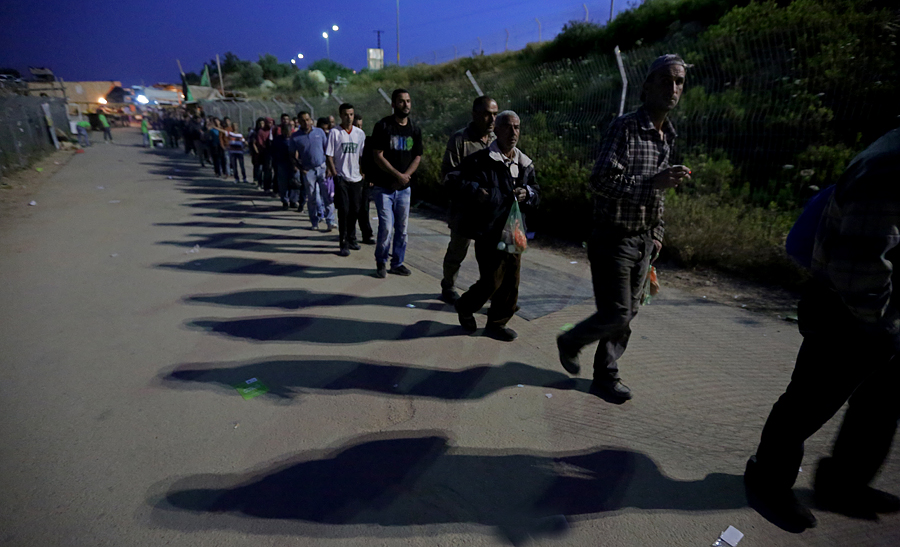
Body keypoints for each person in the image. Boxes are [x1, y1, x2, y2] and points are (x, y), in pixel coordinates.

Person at [743, 128, 900, 531]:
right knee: (808, 402)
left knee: (879, 406)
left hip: (882, 313)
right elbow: (858, 267)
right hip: (855, 313)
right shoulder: (889, 164)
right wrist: (884, 326)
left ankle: (843, 484)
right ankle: (767, 479)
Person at [556, 54, 692, 402]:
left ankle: (606, 376)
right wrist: (652, 182)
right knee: (616, 311)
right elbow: (600, 180)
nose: (673, 88)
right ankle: (570, 340)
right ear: (646, 86)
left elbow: (658, 194)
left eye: (679, 82)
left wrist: (657, 234)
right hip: (613, 238)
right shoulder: (625, 128)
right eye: (665, 79)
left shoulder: (668, 136)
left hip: (644, 239)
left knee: (628, 314)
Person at [450, 111, 539, 341]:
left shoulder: (524, 163)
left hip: (515, 232)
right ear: (496, 130)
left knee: (511, 280)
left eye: (517, 127)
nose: (513, 133)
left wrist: (527, 193)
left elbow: (537, 193)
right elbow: (454, 181)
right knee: (491, 280)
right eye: (508, 127)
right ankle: (465, 305)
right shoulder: (481, 160)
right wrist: (477, 192)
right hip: (488, 230)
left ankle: (497, 324)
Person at [439, 95, 499, 304]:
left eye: (495, 114)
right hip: (464, 208)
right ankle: (448, 285)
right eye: (486, 114)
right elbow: (448, 175)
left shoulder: (496, 141)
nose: (492, 119)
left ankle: (488, 291)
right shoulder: (460, 140)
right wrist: (473, 191)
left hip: (489, 211)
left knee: (490, 257)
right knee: (457, 250)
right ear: (475, 114)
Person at [369, 88, 423, 278]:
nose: (406, 105)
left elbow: (417, 155)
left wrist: (405, 176)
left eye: (408, 101)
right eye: (401, 101)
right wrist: (396, 174)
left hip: (404, 189)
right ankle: (381, 261)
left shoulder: (414, 129)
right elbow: (377, 155)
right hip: (383, 187)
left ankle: (397, 262)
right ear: (393, 104)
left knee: (402, 228)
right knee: (386, 227)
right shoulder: (383, 126)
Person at [326, 103, 367, 256]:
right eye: (345, 114)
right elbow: (329, 155)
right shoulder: (335, 133)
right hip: (342, 176)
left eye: (351, 114)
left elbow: (363, 156)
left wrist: (363, 172)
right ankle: (343, 242)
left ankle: (352, 237)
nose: (349, 117)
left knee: (355, 209)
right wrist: (335, 173)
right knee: (344, 210)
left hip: (356, 178)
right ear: (340, 115)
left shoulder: (359, 134)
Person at [290, 111, 334, 229]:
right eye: (303, 120)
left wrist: (330, 167)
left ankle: (330, 221)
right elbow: (292, 155)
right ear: (299, 122)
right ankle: (314, 221)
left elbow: (328, 150)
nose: (306, 122)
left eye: (307, 119)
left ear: (311, 120)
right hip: (308, 171)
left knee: (327, 196)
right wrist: (300, 168)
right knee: (312, 198)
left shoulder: (319, 132)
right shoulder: (295, 137)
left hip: (322, 168)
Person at [354, 114, 375, 244]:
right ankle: (348, 233)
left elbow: (371, 160)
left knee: (364, 207)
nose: (359, 129)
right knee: (351, 207)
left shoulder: (367, 141)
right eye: (356, 126)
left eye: (361, 126)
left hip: (364, 179)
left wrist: (370, 175)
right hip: (350, 178)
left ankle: (367, 234)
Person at [272, 118, 300, 210]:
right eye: (286, 131)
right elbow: (274, 151)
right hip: (282, 164)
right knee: (283, 183)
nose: (287, 133)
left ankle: (293, 200)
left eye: (289, 130)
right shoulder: (278, 140)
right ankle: (285, 201)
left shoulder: (294, 139)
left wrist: (296, 164)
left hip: (293, 164)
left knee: (295, 183)